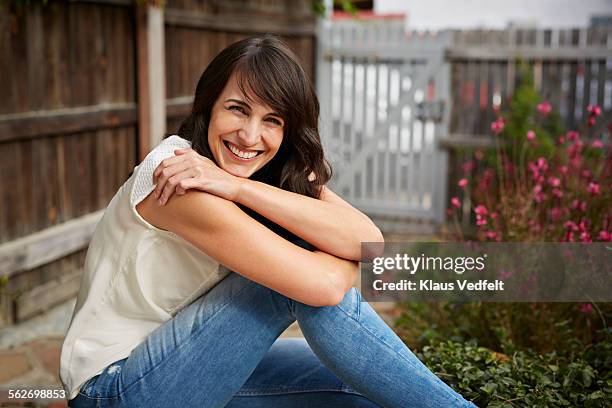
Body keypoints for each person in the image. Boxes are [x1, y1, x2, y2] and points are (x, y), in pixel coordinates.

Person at [61, 35, 476, 407]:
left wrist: (238, 187)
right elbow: (326, 287)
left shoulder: (243, 176)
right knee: (290, 286)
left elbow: (369, 241)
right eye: (238, 110)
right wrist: (327, 255)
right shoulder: (177, 178)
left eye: (272, 120)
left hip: (181, 362)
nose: (250, 136)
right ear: (208, 106)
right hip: (114, 390)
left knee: (361, 386)